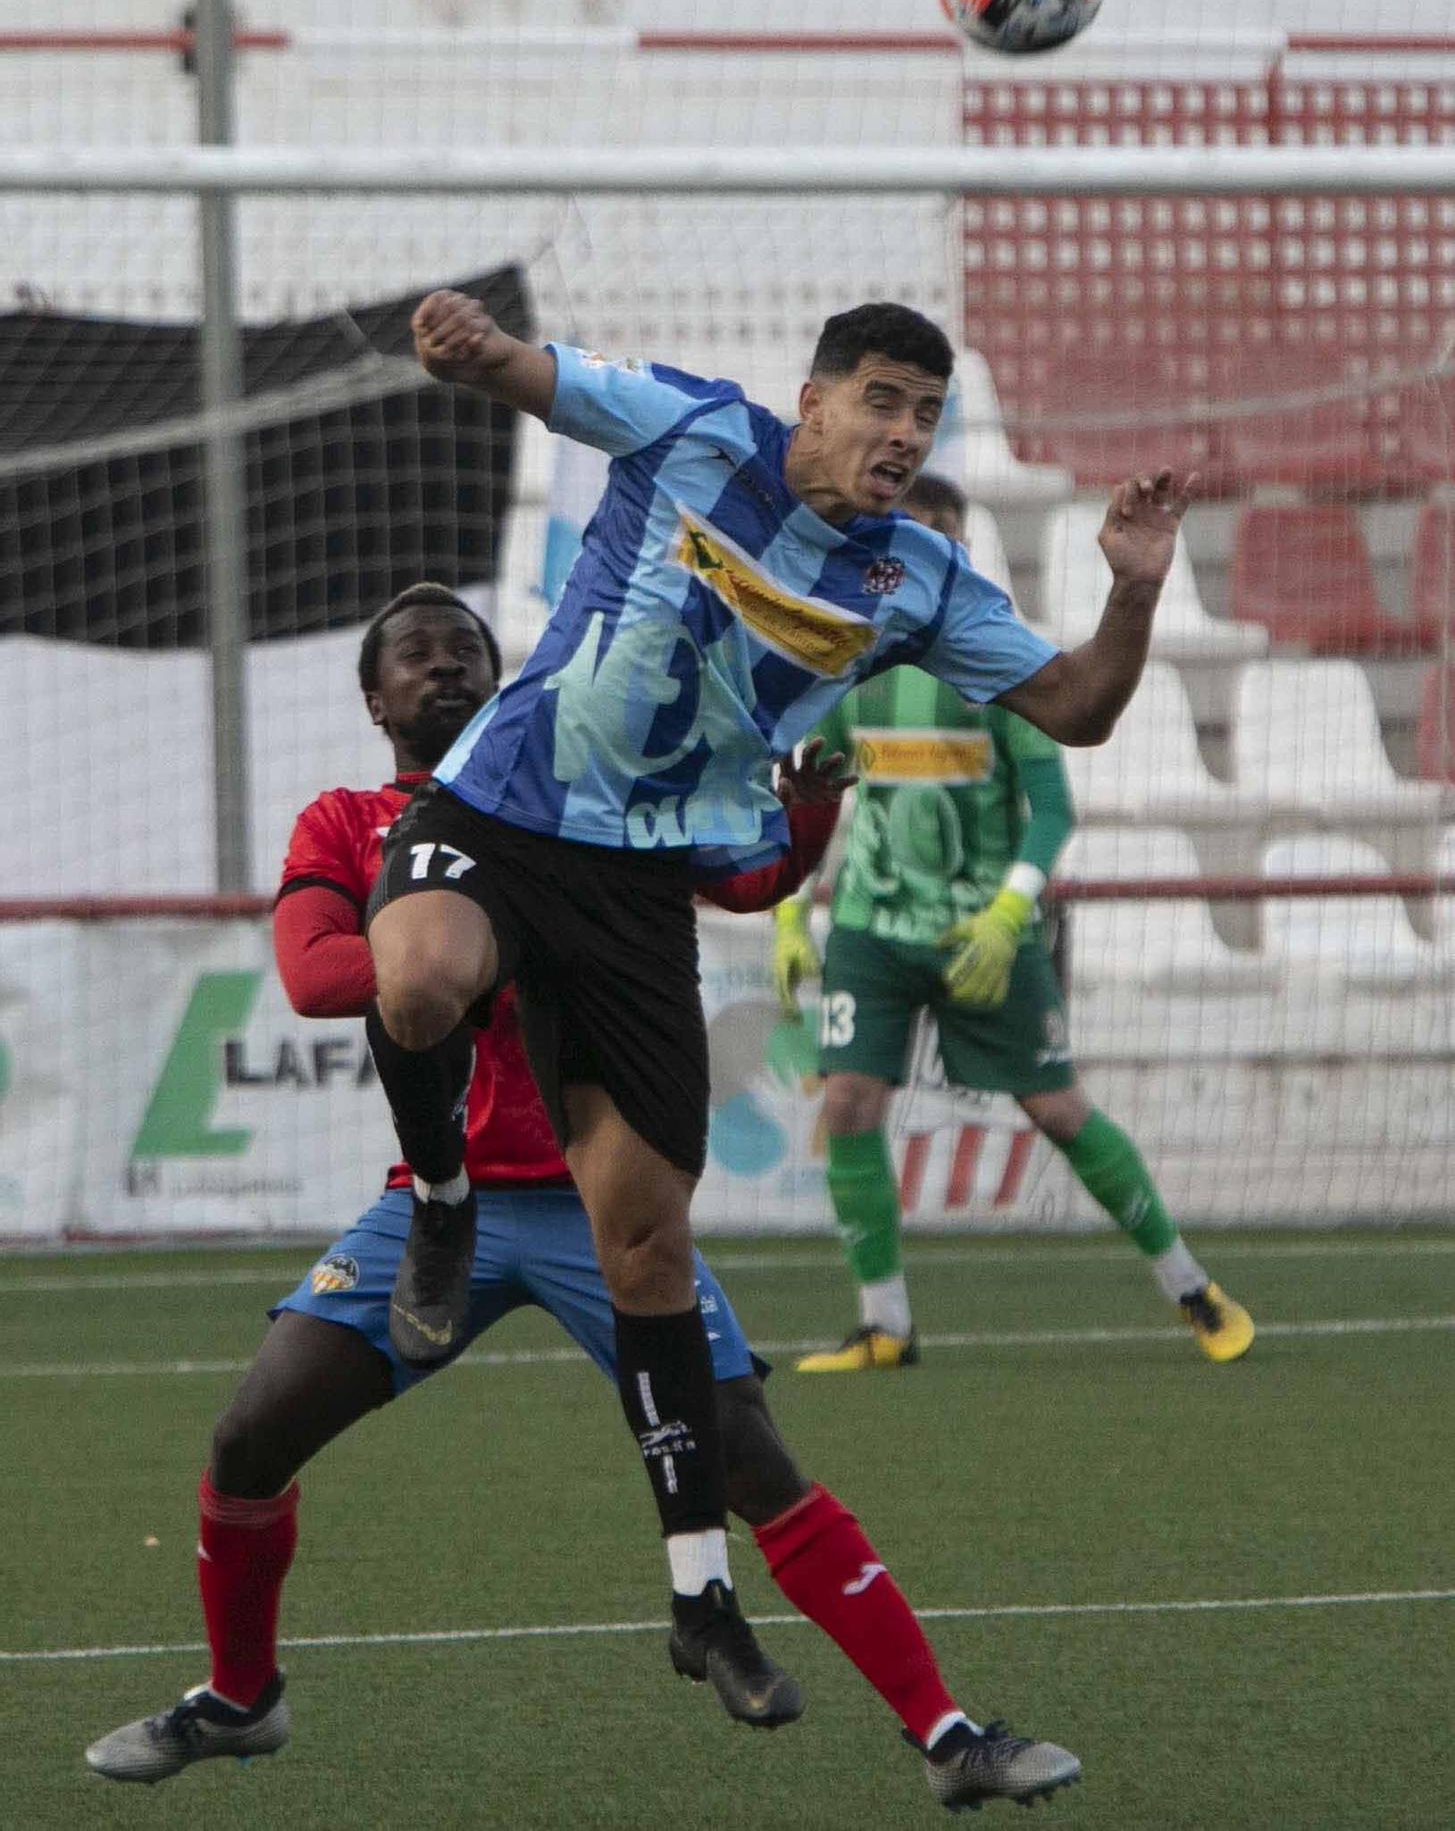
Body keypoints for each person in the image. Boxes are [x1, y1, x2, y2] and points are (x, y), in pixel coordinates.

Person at [84, 585, 1080, 1812]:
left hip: (601, 1206)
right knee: (248, 1436)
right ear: (373, 698)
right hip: (434, 1201)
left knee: (754, 1461)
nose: (445, 664)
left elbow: (754, 874)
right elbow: (310, 974)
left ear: (510, 687)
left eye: (467, 649)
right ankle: (242, 1697)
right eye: (415, 652)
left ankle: (952, 1734)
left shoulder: (586, 811)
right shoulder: (346, 821)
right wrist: (486, 947)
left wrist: (810, 804)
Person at [364, 289, 1191, 1714]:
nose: (900, 433)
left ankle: (699, 1598)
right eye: (878, 400)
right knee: (424, 982)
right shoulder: (692, 429)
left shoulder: (913, 581)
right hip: (504, 812)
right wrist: (466, 347)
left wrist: (1129, 585)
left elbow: (1075, 709)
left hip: (639, 895)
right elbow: (532, 374)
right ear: (810, 402)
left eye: (923, 413)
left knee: (648, 1258)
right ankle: (440, 1206)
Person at [771, 474, 1254, 1371]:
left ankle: (1191, 1286)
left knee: (1057, 1107)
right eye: (910, 536)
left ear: (959, 549)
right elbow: (806, 795)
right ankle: (885, 1325)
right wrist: (790, 912)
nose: (925, 553)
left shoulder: (995, 662)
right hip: (872, 927)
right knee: (845, 1103)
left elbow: (1052, 811)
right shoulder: (845, 665)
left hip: (980, 933)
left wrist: (1005, 911)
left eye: (944, 537)